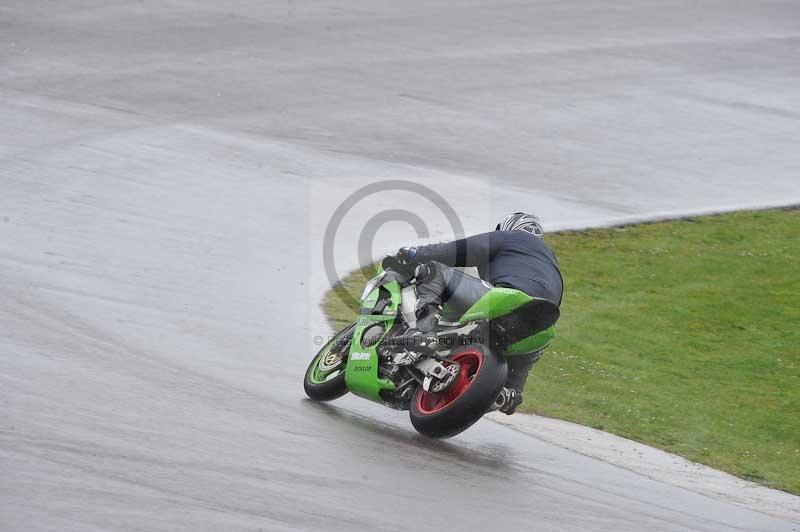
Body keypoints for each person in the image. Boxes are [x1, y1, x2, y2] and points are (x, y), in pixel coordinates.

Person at [390, 212, 563, 414]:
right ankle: (509, 393)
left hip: (507, 297)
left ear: (507, 227)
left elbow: (457, 250)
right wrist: (513, 385)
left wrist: (413, 254)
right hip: (540, 323)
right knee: (525, 356)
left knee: (433, 270)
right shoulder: (552, 265)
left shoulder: (512, 238)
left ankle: (424, 331)